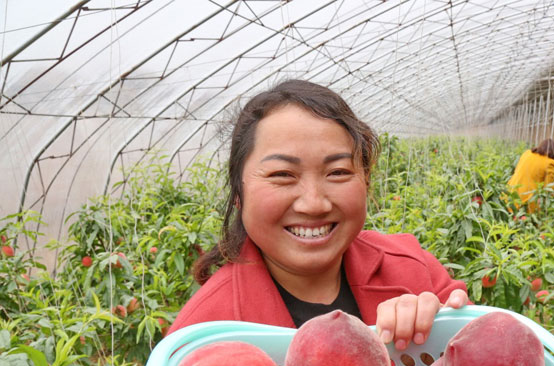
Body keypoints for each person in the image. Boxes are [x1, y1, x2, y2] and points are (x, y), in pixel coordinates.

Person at [168, 79, 468, 351]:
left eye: (337, 172)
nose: (314, 204)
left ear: (366, 180)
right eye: (282, 174)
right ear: (237, 194)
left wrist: (446, 325)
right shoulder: (204, 337)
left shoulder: (415, 270)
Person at [506, 138, 554, 212]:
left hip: (511, 193)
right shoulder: (550, 163)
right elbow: (548, 188)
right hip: (526, 201)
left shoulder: (527, 153)